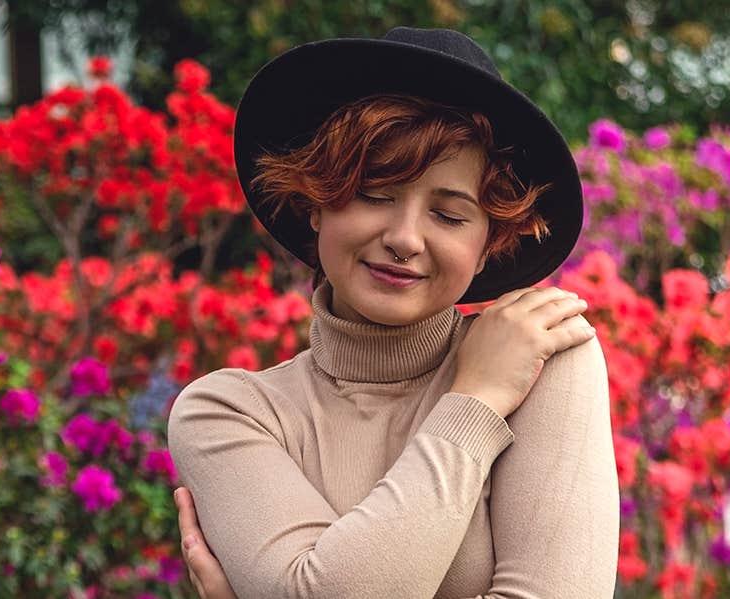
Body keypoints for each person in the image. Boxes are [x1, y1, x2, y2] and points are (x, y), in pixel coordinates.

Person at [167, 26, 618, 598]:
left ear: (489, 246)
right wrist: (475, 403)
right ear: (315, 205)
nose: (405, 239)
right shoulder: (231, 412)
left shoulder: (544, 359)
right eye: (375, 195)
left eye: (450, 217)